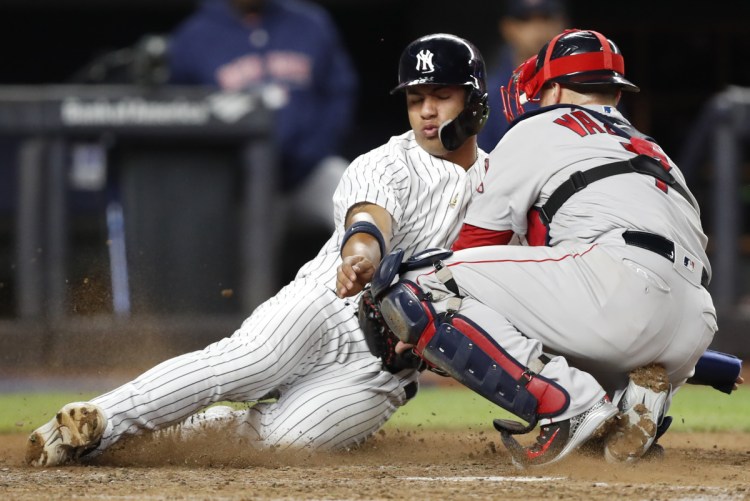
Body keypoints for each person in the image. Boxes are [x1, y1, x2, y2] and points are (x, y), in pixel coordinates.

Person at [24, 33, 491, 467]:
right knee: (246, 363)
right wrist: (362, 255)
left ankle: (173, 433)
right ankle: (99, 420)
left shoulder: (501, 184)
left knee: (286, 442)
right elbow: (368, 220)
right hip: (328, 305)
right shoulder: (386, 162)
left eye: (441, 96)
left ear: (474, 102)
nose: (427, 110)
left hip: (383, 372)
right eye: (416, 99)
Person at [370, 29, 718, 467]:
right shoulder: (655, 151)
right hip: (693, 324)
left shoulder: (542, 125)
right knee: (551, 307)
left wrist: (423, 335)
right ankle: (628, 400)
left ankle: (571, 405)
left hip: (616, 292)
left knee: (418, 284)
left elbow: (473, 247)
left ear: (554, 86)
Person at [167, 0, 358, 232]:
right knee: (243, 250)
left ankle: (383, 267)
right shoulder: (192, 36)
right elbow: (180, 118)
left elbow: (338, 94)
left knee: (354, 195)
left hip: (307, 172)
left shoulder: (311, 23)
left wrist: (309, 153)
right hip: (240, 183)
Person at [477, 0, 568, 152]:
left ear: (562, 23)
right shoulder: (489, 96)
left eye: (546, 18)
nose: (537, 28)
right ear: (508, 28)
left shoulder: (589, 85)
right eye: (525, 19)